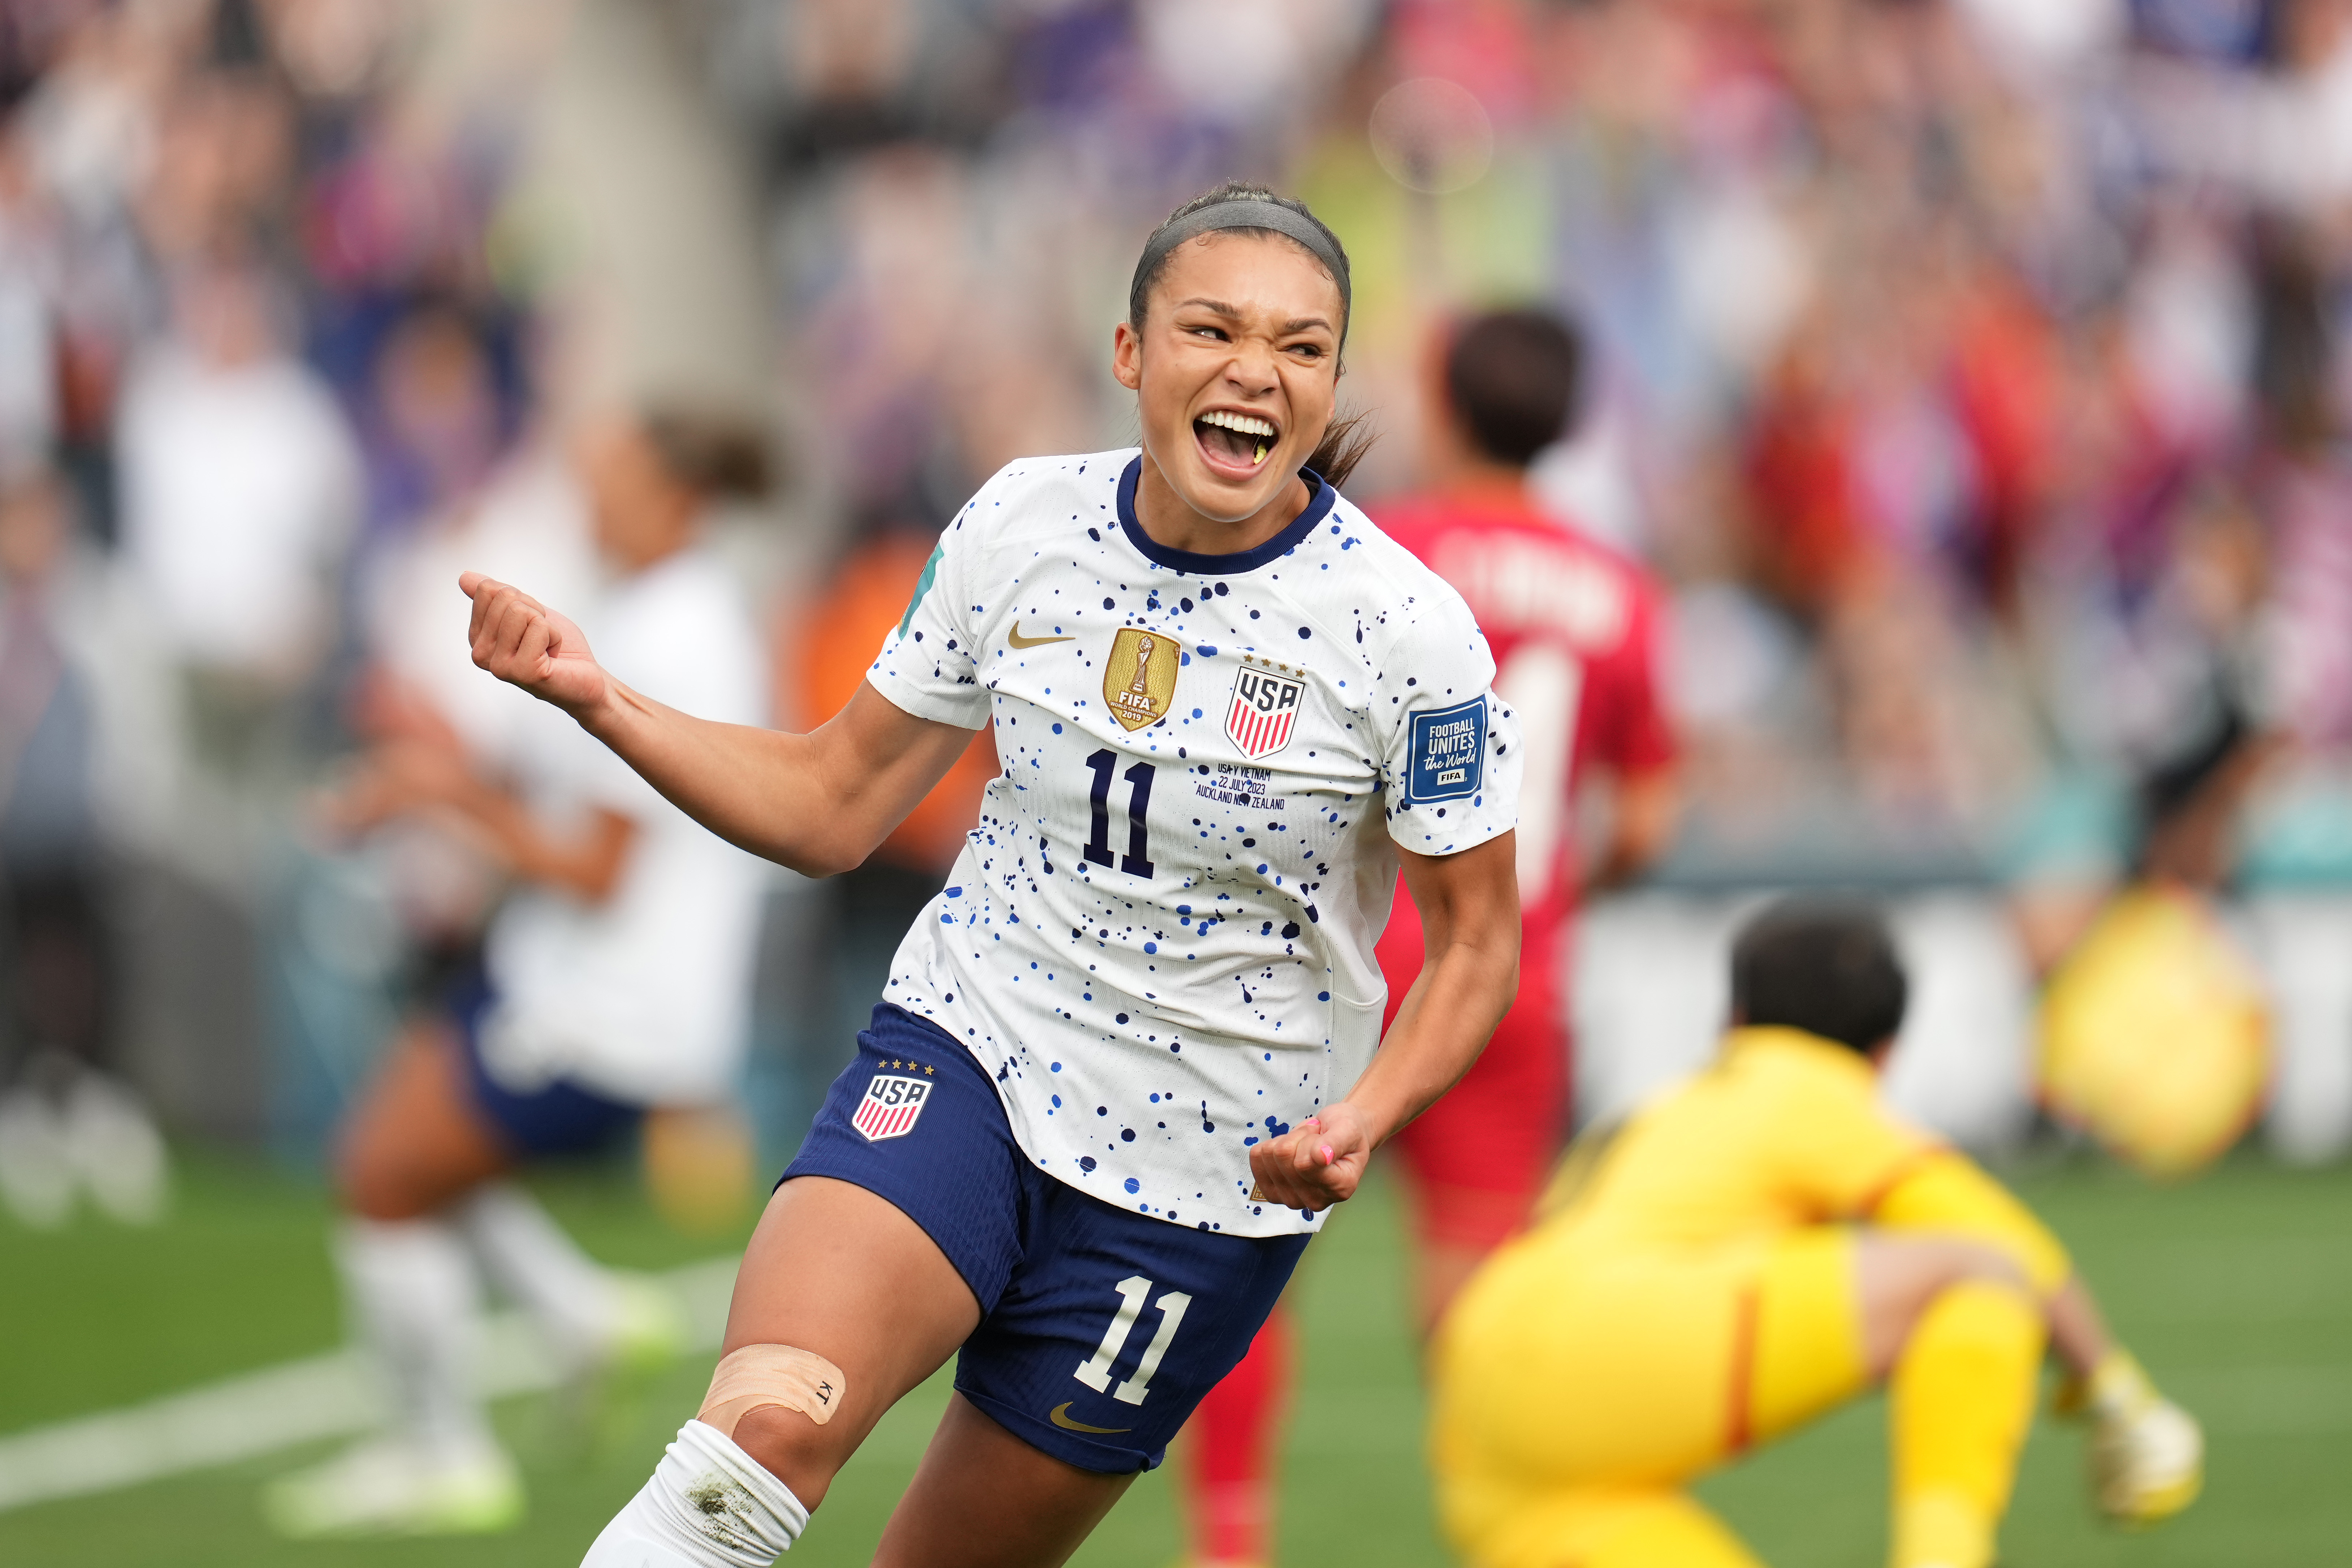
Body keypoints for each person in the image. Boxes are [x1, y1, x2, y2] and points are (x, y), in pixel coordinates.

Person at [460, 181, 1523, 1568]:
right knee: (755, 1447)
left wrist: (1364, 1116)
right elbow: (833, 801)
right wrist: (601, 697)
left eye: (1302, 346)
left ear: (1329, 381)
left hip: (1207, 1180)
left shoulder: (1410, 634)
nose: (1256, 369)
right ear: (1132, 352)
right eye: (1211, 327)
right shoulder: (1023, 524)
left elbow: (1474, 943)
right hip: (974, 1054)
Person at [1179, 306, 1677, 1568]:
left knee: (1251, 1261)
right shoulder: (1617, 587)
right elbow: (1651, 816)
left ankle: (1232, 1547)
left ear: (1444, 406)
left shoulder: (1374, 548)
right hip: (1500, 970)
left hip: (1334, 953)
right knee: (1475, 1296)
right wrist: (1544, 895)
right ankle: (1510, 1531)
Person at [261, 408, 775, 1538]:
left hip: (610, 1006)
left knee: (385, 1175)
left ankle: (442, 1449)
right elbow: (548, 791)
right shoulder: (650, 611)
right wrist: (427, 763)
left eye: (618, 482)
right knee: (412, 1137)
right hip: (556, 976)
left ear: (679, 500)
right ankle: (581, 1314)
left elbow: (594, 867)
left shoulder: (680, 629)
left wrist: (442, 798)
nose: (594, 503)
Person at [1429, 897, 2205, 1568]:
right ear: (1883, 1053)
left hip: (1483, 1398)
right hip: (1601, 1337)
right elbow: (2007, 1249)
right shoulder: (1809, 1087)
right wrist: (2124, 1404)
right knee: (1978, 1284)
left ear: (1729, 1019)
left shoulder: (1660, 1107)